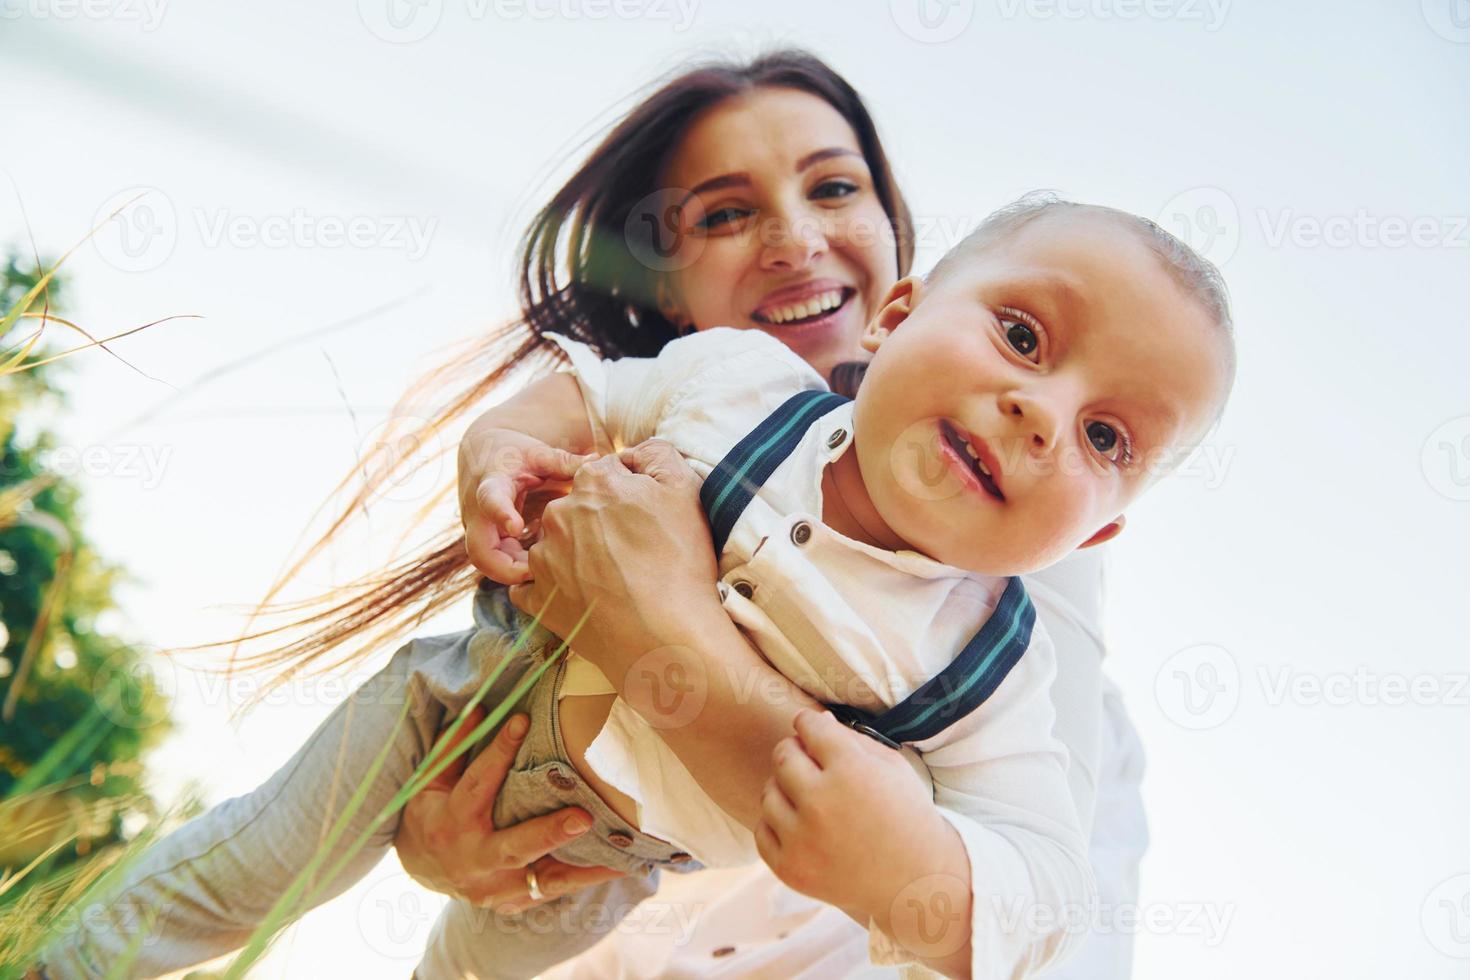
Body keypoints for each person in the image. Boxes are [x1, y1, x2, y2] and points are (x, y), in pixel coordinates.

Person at [30, 52, 1174, 980]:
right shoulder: (715, 394)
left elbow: (1025, 911)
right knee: (249, 867)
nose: (793, 237)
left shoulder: (1005, 592)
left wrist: (657, 622)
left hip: (625, 862)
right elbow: (583, 395)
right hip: (511, 768)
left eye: (834, 186)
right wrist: (497, 444)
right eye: (727, 213)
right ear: (664, 292)